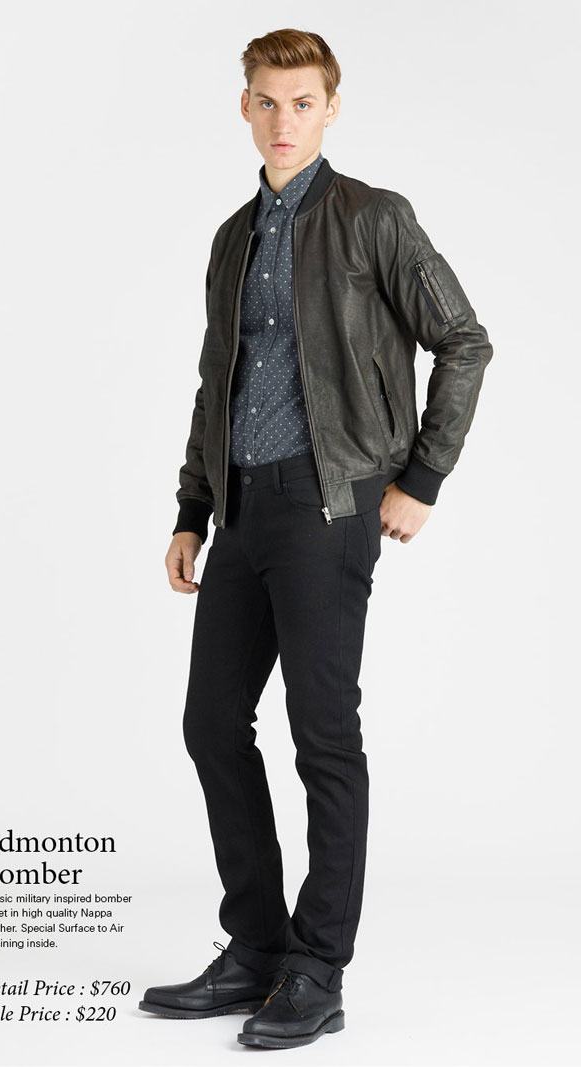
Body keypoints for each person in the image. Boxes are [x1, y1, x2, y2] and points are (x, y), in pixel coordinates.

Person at [138, 27, 493, 1050]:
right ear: (244, 108)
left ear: (331, 108)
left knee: (323, 734)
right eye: (267, 101)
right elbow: (218, 379)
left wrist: (421, 478)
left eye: (302, 102)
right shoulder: (232, 236)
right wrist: (192, 508)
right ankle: (255, 948)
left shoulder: (374, 217)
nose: (283, 119)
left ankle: (317, 966)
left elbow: (464, 339)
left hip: (330, 506)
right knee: (212, 723)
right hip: (242, 508)